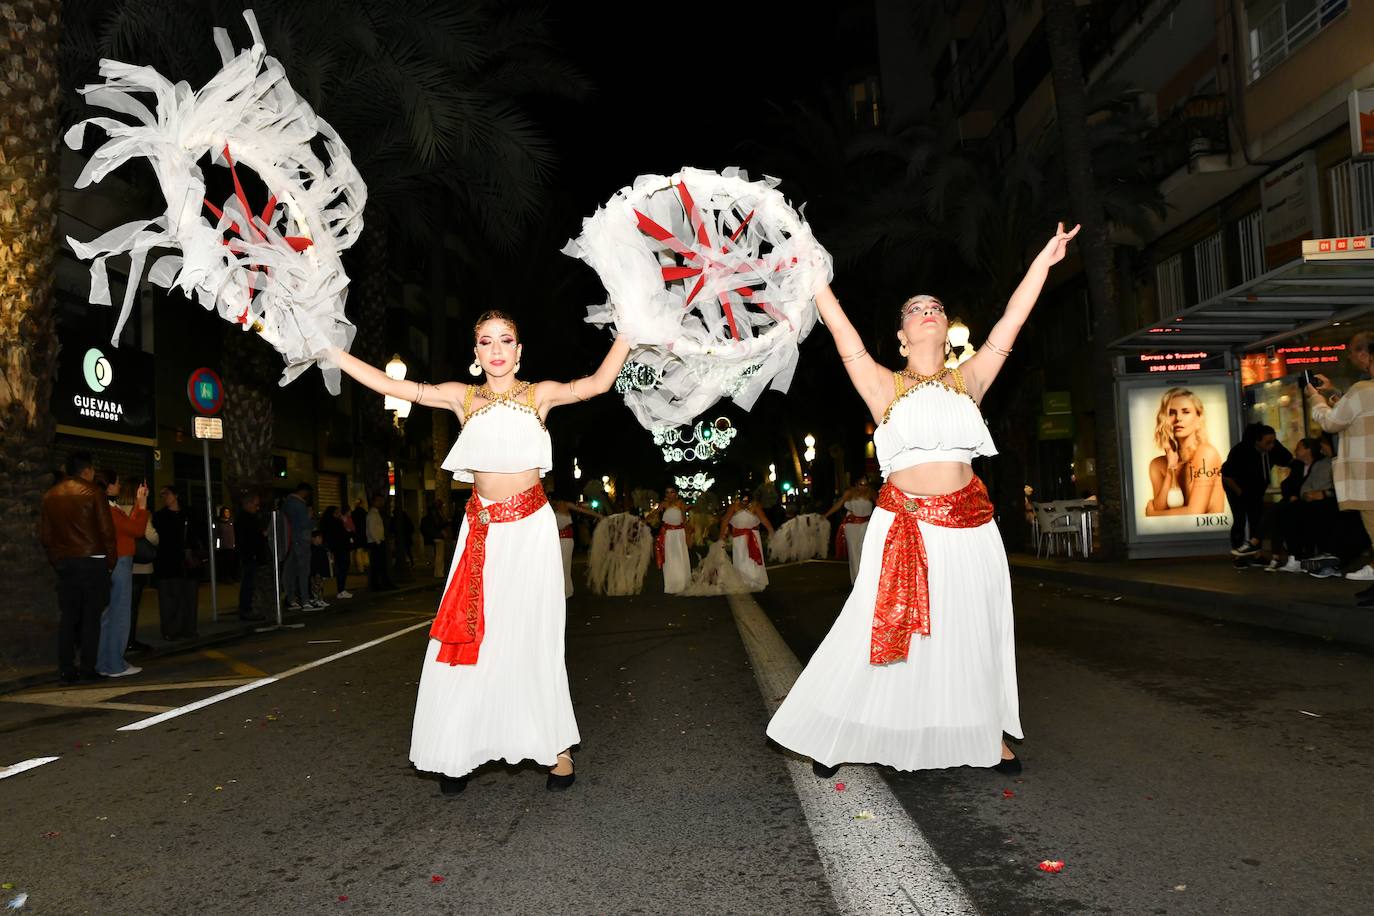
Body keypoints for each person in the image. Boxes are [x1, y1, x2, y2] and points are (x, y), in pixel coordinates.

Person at [769, 222, 1079, 779]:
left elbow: (1013, 319)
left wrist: (1044, 262)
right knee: (876, 630)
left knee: (969, 631)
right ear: (902, 336)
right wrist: (816, 278)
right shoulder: (883, 383)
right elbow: (841, 331)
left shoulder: (972, 380)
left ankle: (985, 733)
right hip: (904, 525)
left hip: (970, 529)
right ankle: (836, 730)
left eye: (936, 306)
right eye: (916, 309)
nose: (928, 310)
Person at [329, 309, 630, 793]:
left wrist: (630, 332)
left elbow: (596, 383)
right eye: (486, 341)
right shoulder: (461, 398)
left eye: (505, 340)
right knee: (472, 641)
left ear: (519, 349)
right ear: (475, 353)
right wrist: (333, 353)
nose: (496, 349)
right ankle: (458, 750)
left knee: (534, 639)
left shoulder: (540, 394)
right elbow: (395, 386)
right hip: (482, 535)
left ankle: (556, 751)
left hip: (531, 534)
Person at [39, 451, 118, 683]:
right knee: (91, 617)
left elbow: (46, 535)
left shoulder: (50, 495)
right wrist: (110, 561)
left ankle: (66, 668)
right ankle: (87, 667)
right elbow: (106, 531)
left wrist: (58, 559)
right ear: (86, 471)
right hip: (93, 561)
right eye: (92, 470)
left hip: (66, 563)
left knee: (69, 616)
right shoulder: (94, 493)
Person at [1308, 332, 1374, 601]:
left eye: (1352, 352)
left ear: (1364, 354)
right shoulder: (1361, 392)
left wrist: (1316, 399)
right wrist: (1334, 392)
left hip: (1368, 481)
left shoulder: (1362, 390)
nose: (1351, 357)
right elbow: (1352, 414)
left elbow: (1333, 422)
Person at [97, 471, 149, 677]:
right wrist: (142, 505)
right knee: (119, 614)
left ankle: (106, 662)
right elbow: (136, 530)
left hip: (115, 561)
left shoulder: (107, 507)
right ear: (108, 486)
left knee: (110, 614)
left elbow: (130, 527)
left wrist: (139, 503)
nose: (119, 486)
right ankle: (114, 664)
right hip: (121, 561)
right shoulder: (108, 510)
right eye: (117, 483)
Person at [1142, 387, 1225, 517]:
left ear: (1198, 418)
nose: (1178, 418)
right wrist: (1171, 470)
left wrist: (1153, 514)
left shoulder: (1206, 453)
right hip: (1171, 535)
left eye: (1186, 412)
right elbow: (1159, 506)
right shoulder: (1157, 465)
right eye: (1171, 413)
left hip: (1208, 535)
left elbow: (1195, 512)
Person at [1221, 423, 1291, 558]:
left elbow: (1288, 460)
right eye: (1268, 442)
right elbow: (1226, 475)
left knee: (1257, 519)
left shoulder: (1274, 447)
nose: (1271, 445)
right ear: (1257, 441)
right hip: (1235, 485)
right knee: (1239, 518)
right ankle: (1238, 554)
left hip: (1256, 487)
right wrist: (1239, 492)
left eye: (1273, 441)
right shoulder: (1241, 451)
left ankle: (1255, 554)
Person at [152, 486, 200, 640]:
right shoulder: (160, 516)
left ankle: (188, 628)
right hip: (167, 563)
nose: (164, 497)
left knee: (189, 597)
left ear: (176, 495)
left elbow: (196, 536)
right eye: (162, 494)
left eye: (167, 493)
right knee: (170, 598)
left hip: (186, 562)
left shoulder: (188, 514)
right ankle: (171, 630)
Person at [720, 492, 774, 592]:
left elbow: (763, 519)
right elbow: (725, 520)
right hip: (741, 537)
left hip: (751, 536)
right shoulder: (736, 507)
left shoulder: (752, 506)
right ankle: (746, 580)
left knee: (748, 557)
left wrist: (771, 531)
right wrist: (722, 536)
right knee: (742, 557)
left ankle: (754, 579)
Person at [825, 477, 876, 583]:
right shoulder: (850, 493)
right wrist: (826, 515)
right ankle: (857, 580)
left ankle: (865, 578)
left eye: (865, 484)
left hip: (866, 525)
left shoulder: (871, 493)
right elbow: (838, 505)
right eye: (861, 484)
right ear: (856, 484)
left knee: (863, 550)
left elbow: (881, 504)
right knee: (853, 551)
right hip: (852, 525)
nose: (863, 487)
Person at [552, 497, 600, 598]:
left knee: (564, 565)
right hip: (556, 541)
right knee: (559, 566)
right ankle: (565, 590)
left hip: (566, 540)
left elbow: (582, 510)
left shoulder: (565, 505)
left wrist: (598, 515)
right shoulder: (551, 507)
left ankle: (566, 591)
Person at [649, 487, 691, 594]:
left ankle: (681, 583)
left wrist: (688, 535)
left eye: (672, 492)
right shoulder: (663, 504)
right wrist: (643, 520)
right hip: (667, 535)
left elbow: (684, 519)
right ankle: (671, 584)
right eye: (667, 492)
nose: (669, 494)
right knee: (669, 557)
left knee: (679, 556)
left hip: (678, 534)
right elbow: (654, 513)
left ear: (676, 494)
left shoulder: (680, 503)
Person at [281, 482, 315, 610]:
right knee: (303, 571)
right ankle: (305, 599)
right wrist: (311, 519)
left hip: (290, 540)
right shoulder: (299, 505)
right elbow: (304, 523)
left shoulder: (287, 503)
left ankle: (291, 598)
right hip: (301, 540)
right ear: (304, 492)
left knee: (291, 571)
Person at [235, 493, 268, 622]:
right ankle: (245, 610)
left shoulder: (248, 518)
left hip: (251, 555)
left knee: (250, 582)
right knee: (248, 583)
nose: (257, 508)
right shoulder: (245, 519)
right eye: (256, 504)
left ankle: (247, 608)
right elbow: (248, 539)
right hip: (250, 555)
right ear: (248, 504)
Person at [127, 513, 157, 653]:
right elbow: (151, 536)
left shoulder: (112, 509)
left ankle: (123, 639)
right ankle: (129, 639)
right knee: (133, 605)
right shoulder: (140, 512)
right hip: (138, 565)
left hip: (122, 563)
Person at [320, 506, 353, 598]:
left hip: (340, 548)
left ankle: (341, 589)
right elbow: (342, 534)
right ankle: (341, 589)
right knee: (342, 568)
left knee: (343, 567)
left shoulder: (332, 522)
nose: (339, 514)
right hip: (339, 548)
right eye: (337, 512)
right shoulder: (333, 523)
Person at [365, 494, 396, 591]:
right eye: (378, 500)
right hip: (376, 542)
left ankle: (381, 583)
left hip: (378, 541)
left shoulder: (376, 513)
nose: (381, 503)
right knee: (377, 564)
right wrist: (378, 541)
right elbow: (371, 529)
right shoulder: (372, 514)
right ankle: (377, 585)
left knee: (380, 564)